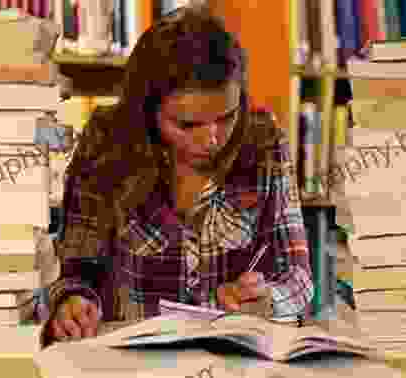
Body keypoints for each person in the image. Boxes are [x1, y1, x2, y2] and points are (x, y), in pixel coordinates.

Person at [39, 4, 313, 347]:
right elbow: (76, 266)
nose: (212, 139)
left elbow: (299, 275)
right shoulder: (107, 139)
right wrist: (74, 302)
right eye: (187, 125)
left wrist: (269, 300)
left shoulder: (263, 139)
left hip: (235, 362)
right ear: (147, 111)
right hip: (129, 363)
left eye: (227, 116)